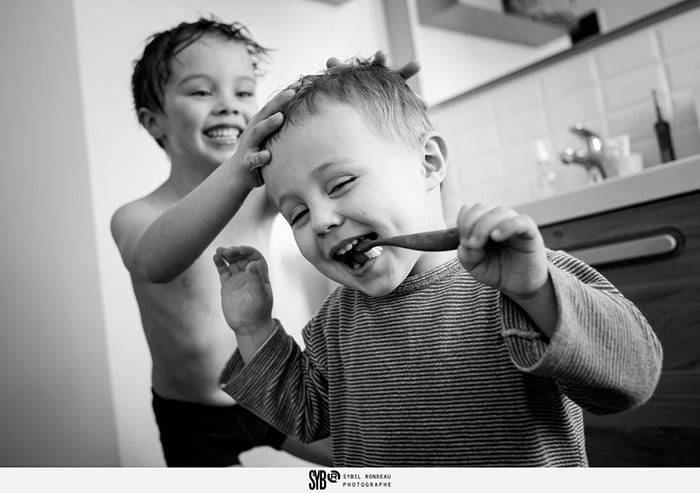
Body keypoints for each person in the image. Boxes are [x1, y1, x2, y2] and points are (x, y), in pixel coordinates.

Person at [213, 56, 664, 467]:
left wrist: (536, 292)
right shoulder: (336, 321)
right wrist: (254, 328)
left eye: (340, 183)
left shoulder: (521, 279)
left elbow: (632, 379)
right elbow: (306, 417)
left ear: (428, 164)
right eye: (298, 214)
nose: (322, 221)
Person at [110, 17, 333, 467]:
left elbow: (324, 173)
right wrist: (235, 171)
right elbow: (155, 263)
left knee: (367, 464)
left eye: (244, 91)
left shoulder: (263, 192)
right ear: (155, 121)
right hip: (191, 417)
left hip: (266, 382)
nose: (229, 106)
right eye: (200, 91)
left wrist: (366, 111)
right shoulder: (137, 216)